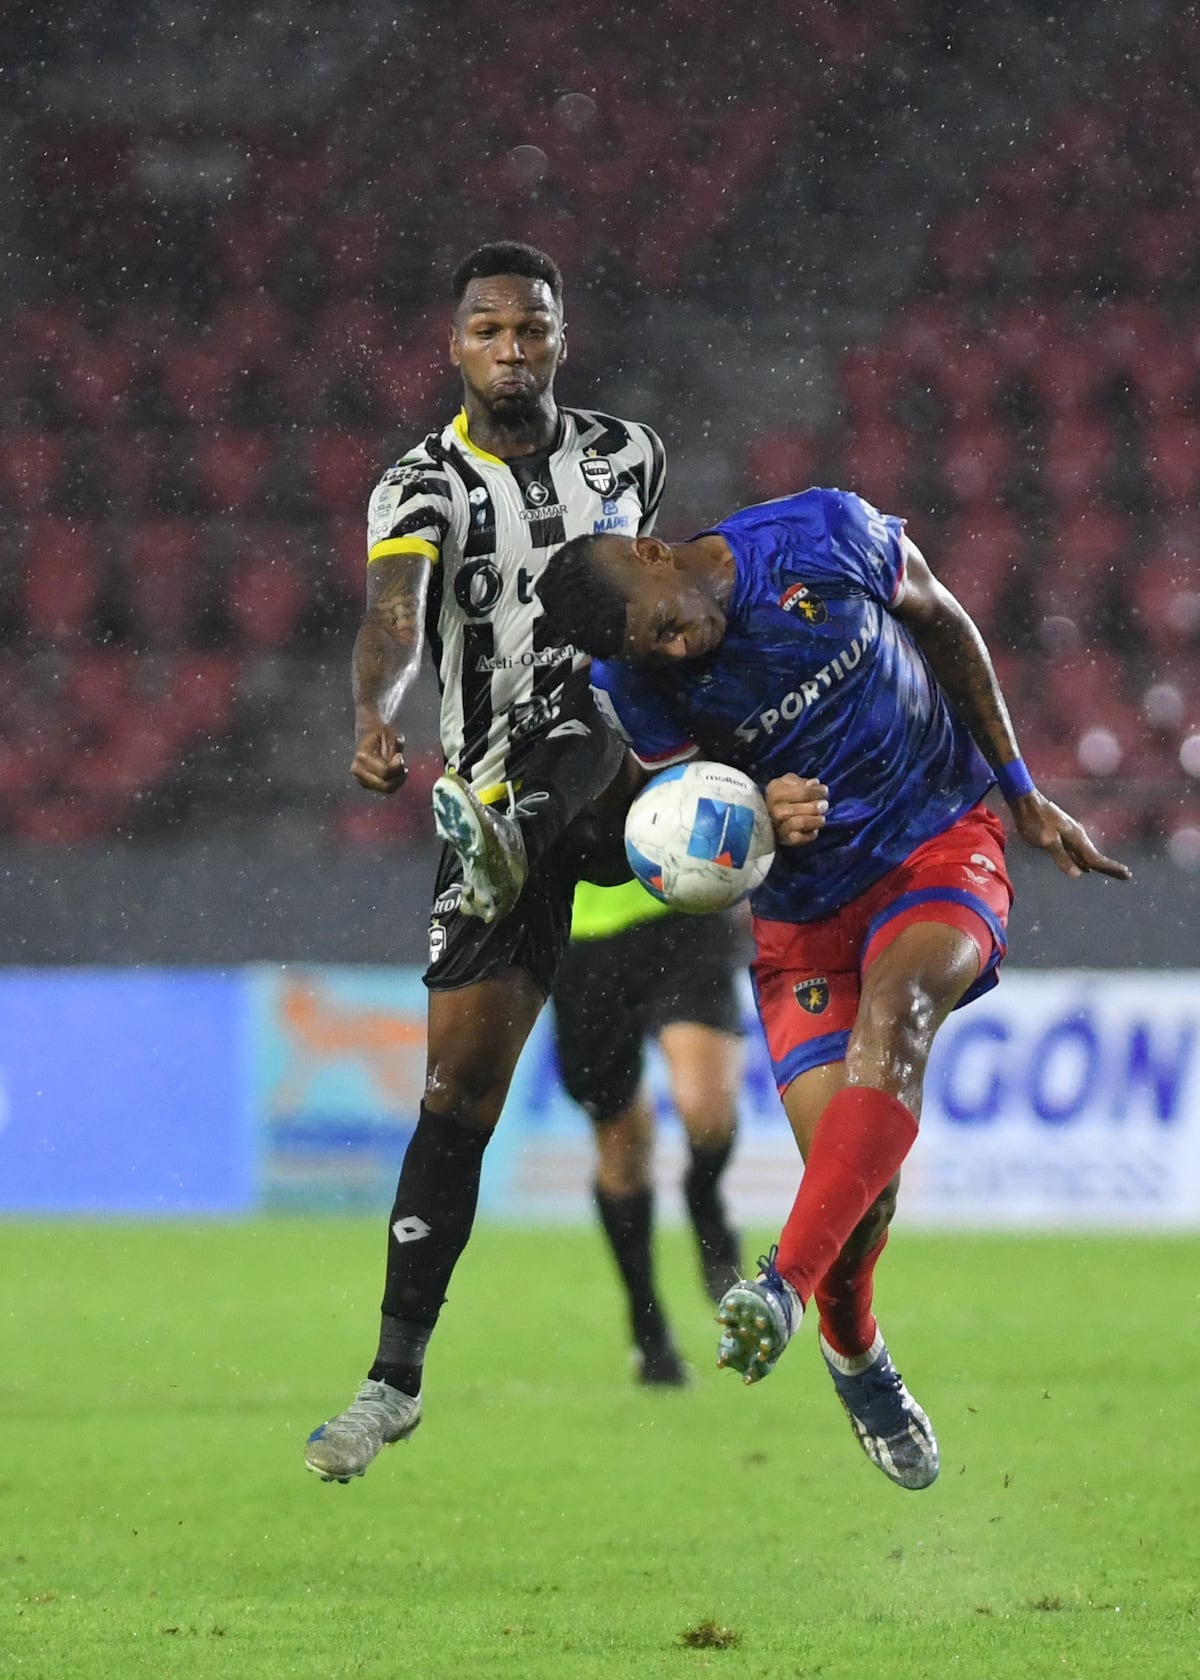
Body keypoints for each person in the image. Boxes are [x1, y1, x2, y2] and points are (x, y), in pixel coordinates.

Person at [535, 487, 1131, 1490]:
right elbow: (698, 819)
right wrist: (756, 813)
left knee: (897, 1026)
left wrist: (1020, 790)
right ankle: (852, 1344)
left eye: (666, 627)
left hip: (937, 844)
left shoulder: (822, 534)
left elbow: (944, 622)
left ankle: (779, 1288)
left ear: (653, 553)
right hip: (804, 921)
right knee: (862, 1198)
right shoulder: (634, 679)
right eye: (653, 652)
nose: (677, 653)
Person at [304, 241, 665, 1483]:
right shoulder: (421, 484)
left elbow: (651, 605)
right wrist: (375, 715)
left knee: (588, 726)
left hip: (610, 779)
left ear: (562, 338)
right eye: (489, 330)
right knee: (455, 1104)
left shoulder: (628, 456)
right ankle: (391, 1381)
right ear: (453, 346)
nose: (514, 348)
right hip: (483, 791)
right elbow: (393, 618)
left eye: (533, 328)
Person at [554, 877, 745, 1385]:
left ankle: (704, 1200)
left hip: (684, 902)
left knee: (706, 1111)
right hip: (581, 939)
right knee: (622, 1149)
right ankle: (647, 1325)